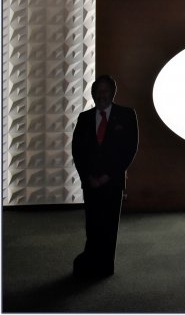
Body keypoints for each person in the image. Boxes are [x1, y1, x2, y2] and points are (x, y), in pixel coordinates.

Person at [72, 75, 139, 278]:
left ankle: (105, 268)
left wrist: (108, 176)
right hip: (90, 182)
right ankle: (91, 261)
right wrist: (87, 177)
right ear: (93, 94)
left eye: (105, 90)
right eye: (98, 91)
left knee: (109, 225)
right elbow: (77, 151)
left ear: (113, 93)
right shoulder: (84, 118)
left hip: (113, 182)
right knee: (92, 224)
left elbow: (129, 150)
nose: (102, 95)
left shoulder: (127, 115)